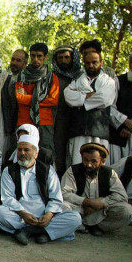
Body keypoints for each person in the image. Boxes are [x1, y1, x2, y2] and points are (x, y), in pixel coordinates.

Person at [0, 134, 82, 245]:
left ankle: (27, 231)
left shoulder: (48, 171)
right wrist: (24, 214)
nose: (22, 153)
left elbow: (56, 198)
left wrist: (49, 215)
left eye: (26, 150)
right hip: (20, 216)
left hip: (44, 217)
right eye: (19, 150)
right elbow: (8, 198)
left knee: (76, 218)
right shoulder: (9, 171)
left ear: (36, 153)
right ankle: (44, 233)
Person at [60, 142, 132, 235]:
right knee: (61, 206)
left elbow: (122, 196)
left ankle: (97, 227)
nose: (89, 165)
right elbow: (63, 193)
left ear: (102, 161)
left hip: (100, 211)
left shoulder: (109, 173)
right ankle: (81, 226)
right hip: (79, 208)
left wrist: (102, 203)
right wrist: (86, 202)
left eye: (93, 161)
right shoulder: (72, 170)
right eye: (85, 160)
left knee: (126, 210)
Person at [63, 47, 117, 165]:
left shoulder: (108, 81)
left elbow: (104, 99)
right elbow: (68, 96)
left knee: (98, 167)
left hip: (99, 132)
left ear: (101, 63)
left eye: (94, 62)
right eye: (88, 63)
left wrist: (80, 101)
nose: (91, 65)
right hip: (78, 131)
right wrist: (87, 96)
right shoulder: (77, 79)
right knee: (77, 164)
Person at [15, 43, 59, 160]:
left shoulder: (51, 77)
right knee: (23, 153)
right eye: (33, 56)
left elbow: (53, 101)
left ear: (45, 57)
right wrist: (41, 99)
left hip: (45, 122)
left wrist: (28, 97)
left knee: (45, 154)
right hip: (24, 120)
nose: (35, 59)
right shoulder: (22, 76)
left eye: (39, 56)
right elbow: (19, 98)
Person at [51, 45, 81, 175]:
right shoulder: (51, 77)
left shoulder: (81, 77)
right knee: (59, 155)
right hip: (58, 121)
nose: (63, 61)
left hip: (78, 122)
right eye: (60, 58)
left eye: (67, 57)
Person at [1, 49, 27, 148]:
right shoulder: (6, 79)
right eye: (13, 59)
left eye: (18, 60)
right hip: (8, 126)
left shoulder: (28, 80)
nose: (14, 63)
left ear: (25, 63)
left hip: (23, 125)